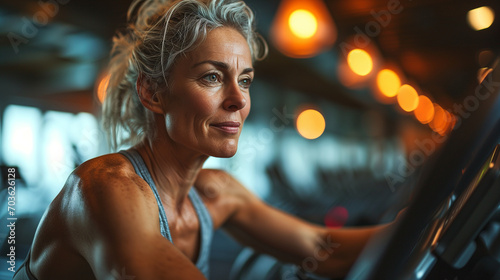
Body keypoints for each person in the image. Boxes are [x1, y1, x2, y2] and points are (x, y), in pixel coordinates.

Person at [13, 0, 395, 279]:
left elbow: (322, 250)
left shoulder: (214, 193)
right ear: (153, 93)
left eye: (244, 80)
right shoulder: (105, 186)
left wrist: (427, 215)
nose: (239, 99)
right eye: (212, 77)